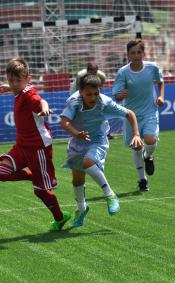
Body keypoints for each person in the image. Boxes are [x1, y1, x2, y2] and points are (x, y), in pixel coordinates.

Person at [0, 57, 71, 232]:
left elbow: (40, 100)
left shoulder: (29, 95)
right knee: (1, 173)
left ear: (27, 79)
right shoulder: (19, 91)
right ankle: (32, 176)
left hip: (38, 147)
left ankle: (60, 218)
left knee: (40, 191)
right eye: (10, 80)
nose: (13, 84)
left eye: (17, 81)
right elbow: (19, 89)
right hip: (22, 145)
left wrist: (44, 108)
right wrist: (10, 88)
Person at [61, 74, 142, 227]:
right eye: (89, 94)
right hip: (77, 141)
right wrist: (76, 133)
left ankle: (110, 195)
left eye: (96, 93)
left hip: (97, 140)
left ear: (100, 91)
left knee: (88, 162)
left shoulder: (104, 103)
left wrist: (137, 134)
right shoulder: (74, 101)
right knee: (77, 180)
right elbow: (64, 122)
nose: (93, 97)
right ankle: (81, 208)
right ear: (80, 91)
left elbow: (129, 113)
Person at [112, 39, 165, 192]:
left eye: (139, 52)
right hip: (131, 115)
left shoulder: (152, 68)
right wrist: (122, 95)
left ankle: (148, 156)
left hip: (149, 111)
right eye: (132, 53)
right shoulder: (123, 72)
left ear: (143, 53)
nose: (136, 55)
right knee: (136, 147)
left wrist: (161, 96)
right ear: (128, 55)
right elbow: (116, 96)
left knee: (150, 140)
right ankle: (142, 180)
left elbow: (160, 81)